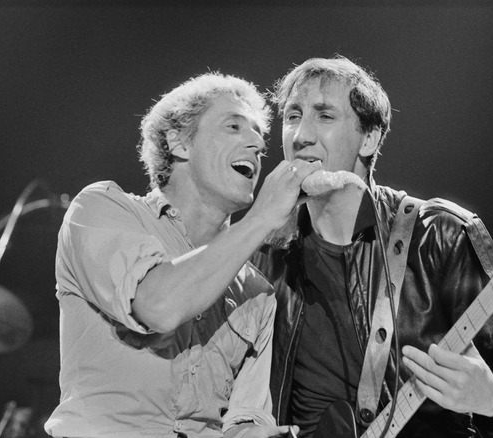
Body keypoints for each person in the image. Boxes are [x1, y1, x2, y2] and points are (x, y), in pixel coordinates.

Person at [251, 56, 493, 438]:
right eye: (292, 116)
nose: (301, 134)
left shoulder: (440, 235)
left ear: (369, 138)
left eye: (324, 116)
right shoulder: (265, 250)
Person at [44, 72, 321, 438]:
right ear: (179, 142)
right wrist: (261, 218)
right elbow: (158, 306)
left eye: (259, 136)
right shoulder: (100, 209)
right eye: (234, 126)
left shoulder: (257, 292)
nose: (257, 144)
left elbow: (244, 418)